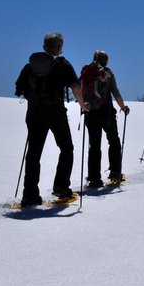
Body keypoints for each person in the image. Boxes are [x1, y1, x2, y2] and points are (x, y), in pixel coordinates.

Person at [14, 33, 89, 207]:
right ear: (58, 47)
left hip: (34, 112)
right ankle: (61, 187)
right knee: (66, 148)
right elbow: (75, 87)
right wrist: (83, 104)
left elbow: (19, 88)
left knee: (33, 153)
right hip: (55, 112)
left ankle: (29, 194)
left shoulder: (30, 66)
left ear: (44, 46)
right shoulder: (62, 64)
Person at [81, 50, 130, 188]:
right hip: (106, 113)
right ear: (106, 60)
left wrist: (83, 106)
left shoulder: (86, 72)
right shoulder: (107, 73)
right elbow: (115, 92)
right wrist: (123, 107)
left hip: (90, 113)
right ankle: (115, 172)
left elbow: (80, 89)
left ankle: (94, 178)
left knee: (94, 145)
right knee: (113, 141)